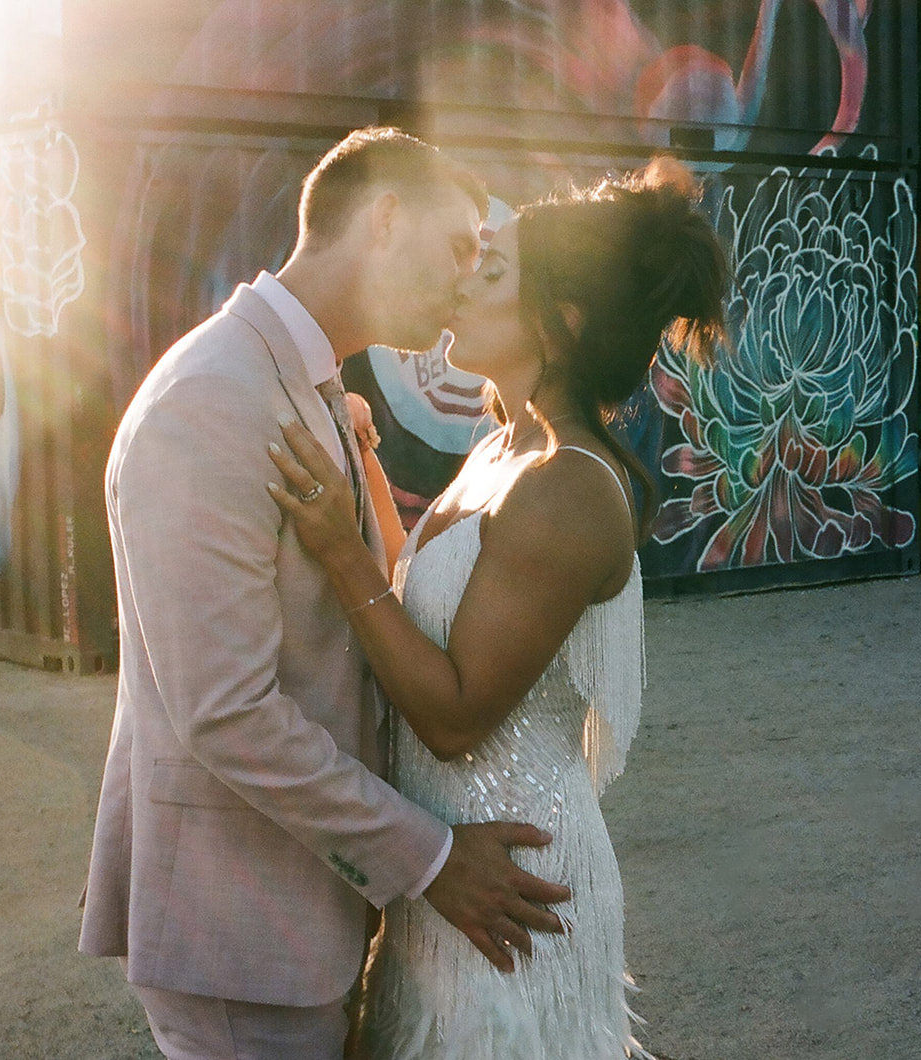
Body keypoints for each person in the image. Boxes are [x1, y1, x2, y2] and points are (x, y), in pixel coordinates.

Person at [78, 127, 572, 1060]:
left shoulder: (301, 381)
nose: (466, 277)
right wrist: (426, 859)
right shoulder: (211, 400)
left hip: (299, 912)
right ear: (384, 220)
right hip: (238, 937)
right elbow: (224, 712)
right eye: (456, 246)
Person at [267, 158, 730, 1059]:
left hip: (513, 891)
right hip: (455, 872)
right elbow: (428, 604)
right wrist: (361, 460)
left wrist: (334, 547)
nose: (458, 285)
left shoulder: (570, 488)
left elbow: (452, 711)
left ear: (562, 318)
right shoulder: (504, 449)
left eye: (491, 272)